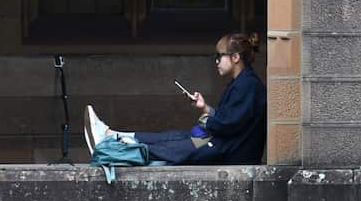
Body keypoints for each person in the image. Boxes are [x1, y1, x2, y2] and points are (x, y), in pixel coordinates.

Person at [85, 32, 267, 165]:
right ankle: (111, 136)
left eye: (219, 56)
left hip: (228, 150)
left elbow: (227, 125)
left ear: (235, 57)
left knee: (175, 147)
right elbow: (229, 119)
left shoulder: (247, 86)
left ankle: (110, 146)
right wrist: (205, 108)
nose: (216, 61)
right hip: (222, 143)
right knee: (172, 137)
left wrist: (207, 120)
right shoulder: (243, 83)